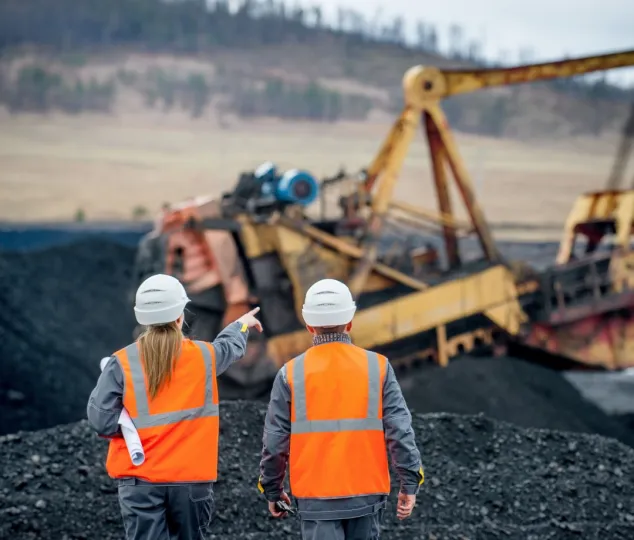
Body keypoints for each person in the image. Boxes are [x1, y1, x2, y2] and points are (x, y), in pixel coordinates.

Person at [86, 273, 262, 540]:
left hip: (139, 482)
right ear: (180, 316)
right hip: (190, 481)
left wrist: (130, 427)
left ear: (142, 318)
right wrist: (242, 324)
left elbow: (101, 420)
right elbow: (229, 347)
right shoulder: (204, 357)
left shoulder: (121, 363)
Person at [258, 278, 424, 540]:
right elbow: (400, 431)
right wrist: (409, 483)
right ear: (350, 322)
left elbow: (275, 442)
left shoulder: (290, 373)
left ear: (308, 325)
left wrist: (272, 490)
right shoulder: (377, 367)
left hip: (316, 499)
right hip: (366, 495)